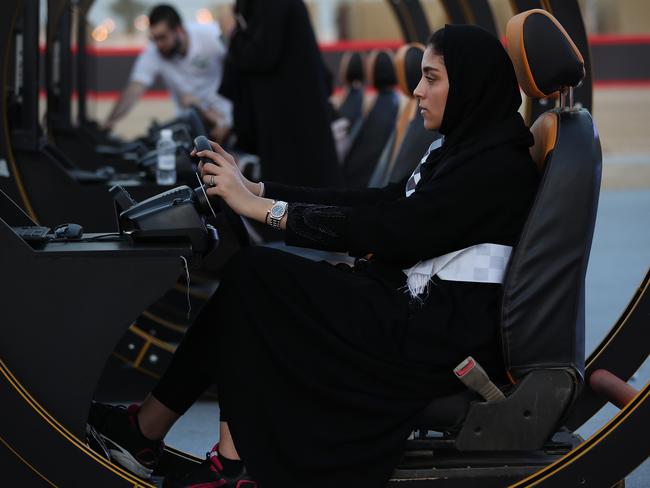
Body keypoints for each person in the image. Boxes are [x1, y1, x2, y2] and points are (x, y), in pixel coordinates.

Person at [89, 24, 540, 488]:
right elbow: (377, 203)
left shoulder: (494, 164)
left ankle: (236, 463)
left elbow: (396, 231)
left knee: (255, 275)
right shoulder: (469, 147)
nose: (418, 90)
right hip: (417, 312)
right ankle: (146, 430)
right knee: (248, 280)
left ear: (467, 84)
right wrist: (259, 191)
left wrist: (266, 211)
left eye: (432, 78)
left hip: (433, 337)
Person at [219, 0, 341, 187]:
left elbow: (260, 55)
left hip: (293, 128)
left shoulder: (273, 5)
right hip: (290, 124)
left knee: (296, 195)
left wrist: (231, 32)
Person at [104, 4, 233, 142]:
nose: (158, 44)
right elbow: (135, 88)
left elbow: (237, 66)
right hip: (191, 127)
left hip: (227, 123)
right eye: (154, 39)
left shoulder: (211, 36)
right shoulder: (154, 52)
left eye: (162, 37)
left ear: (179, 30)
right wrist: (109, 122)